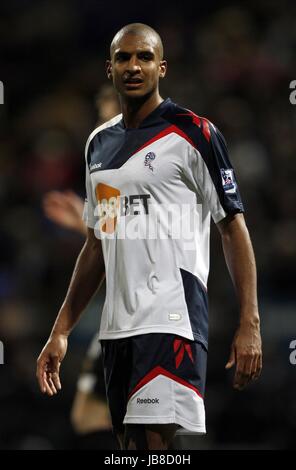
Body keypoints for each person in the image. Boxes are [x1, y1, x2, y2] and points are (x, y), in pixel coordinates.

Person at [37, 23, 262, 451]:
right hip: (116, 331)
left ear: (163, 67)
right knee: (129, 451)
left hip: (171, 320)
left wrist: (249, 320)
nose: (133, 66)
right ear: (109, 68)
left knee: (153, 450)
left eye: (144, 57)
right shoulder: (97, 145)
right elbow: (96, 244)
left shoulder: (194, 132)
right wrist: (61, 330)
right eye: (123, 58)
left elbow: (233, 226)